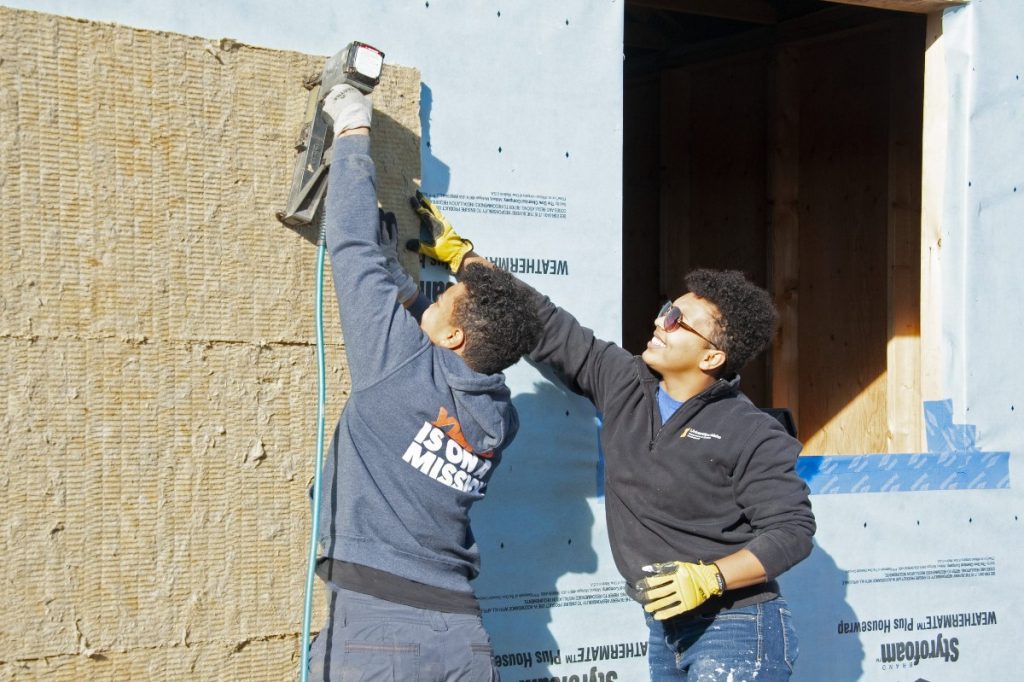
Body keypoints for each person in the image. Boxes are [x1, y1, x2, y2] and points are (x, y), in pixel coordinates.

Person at [409, 203, 816, 681]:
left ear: (712, 356)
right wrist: (466, 260)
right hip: (666, 627)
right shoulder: (625, 381)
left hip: (739, 625)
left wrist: (712, 578)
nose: (660, 323)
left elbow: (793, 531)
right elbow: (544, 324)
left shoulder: (750, 430)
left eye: (676, 323)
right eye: (667, 310)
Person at [307, 84, 542, 681]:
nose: (435, 296)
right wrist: (401, 286)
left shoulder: (399, 365)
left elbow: (353, 246)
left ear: (455, 338)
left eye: (448, 296)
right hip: (459, 636)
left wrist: (353, 129)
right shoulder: (499, 416)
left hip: (380, 630)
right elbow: (445, 338)